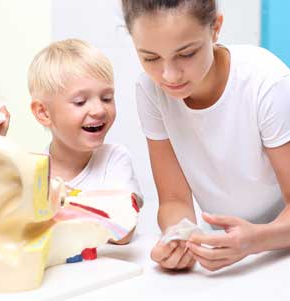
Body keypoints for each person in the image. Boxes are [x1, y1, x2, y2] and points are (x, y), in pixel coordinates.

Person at [121, 0, 290, 271]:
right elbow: (174, 199)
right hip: (234, 256)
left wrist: (256, 240)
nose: (169, 75)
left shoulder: (266, 83)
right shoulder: (150, 90)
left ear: (215, 28)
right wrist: (178, 237)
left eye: (186, 54)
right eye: (150, 58)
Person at [0, 38, 143, 243]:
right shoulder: (33, 172)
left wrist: (57, 207)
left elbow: (123, 230)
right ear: (43, 112)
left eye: (107, 98)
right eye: (80, 102)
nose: (99, 110)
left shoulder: (114, 160)